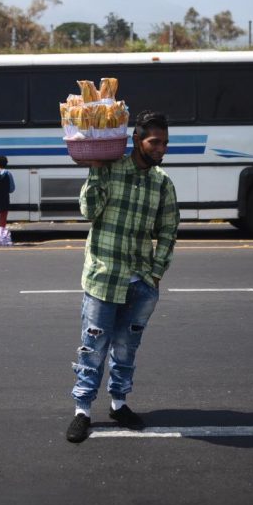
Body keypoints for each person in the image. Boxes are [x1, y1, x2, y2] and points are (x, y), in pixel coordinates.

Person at [65, 110, 179, 443]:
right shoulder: (110, 171)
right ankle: (82, 410)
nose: (161, 149)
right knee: (93, 346)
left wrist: (156, 273)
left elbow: (169, 229)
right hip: (104, 278)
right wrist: (96, 170)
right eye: (154, 142)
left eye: (165, 143)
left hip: (140, 281)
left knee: (127, 348)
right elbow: (88, 211)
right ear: (137, 141)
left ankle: (119, 403)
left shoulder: (162, 182)